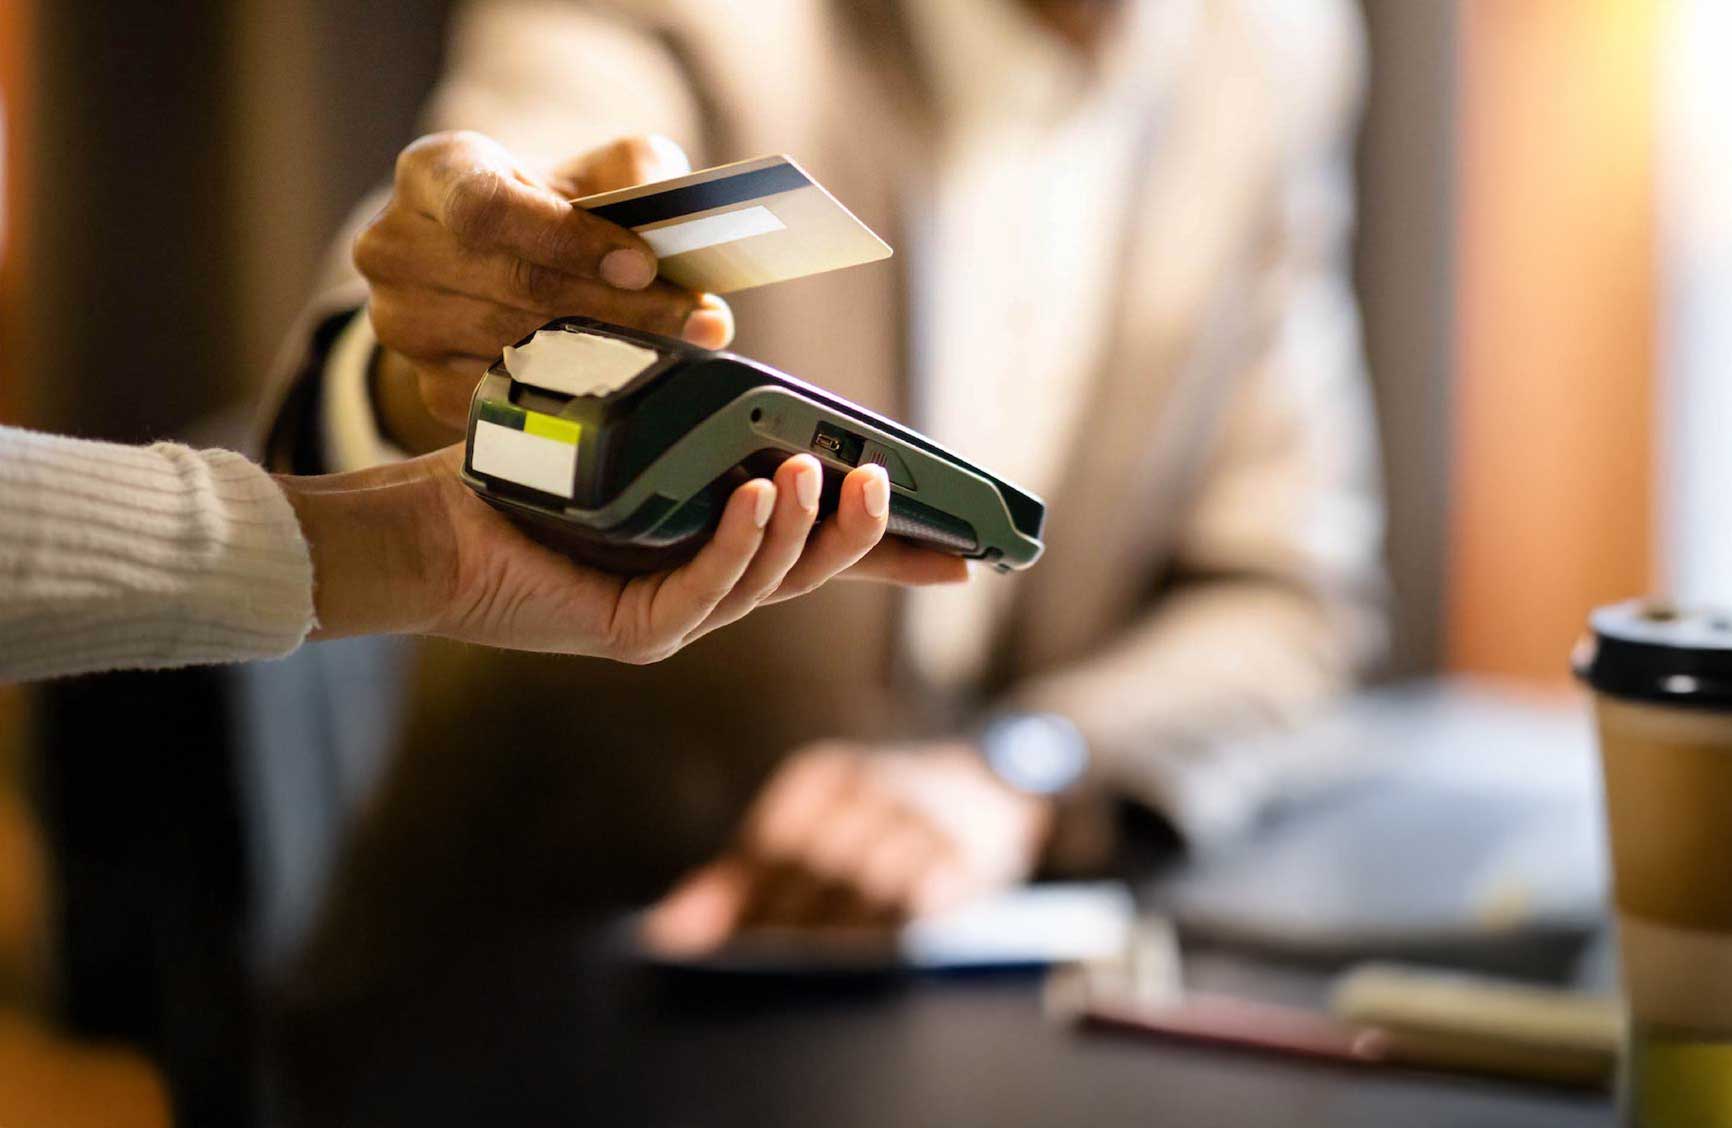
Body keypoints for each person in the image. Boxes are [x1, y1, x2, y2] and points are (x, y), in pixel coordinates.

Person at [259, 0, 1386, 966]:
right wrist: (436, 354)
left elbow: (1289, 595)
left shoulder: (1267, 46)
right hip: (559, 964)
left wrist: (1023, 772)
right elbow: (406, 334)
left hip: (977, 987)